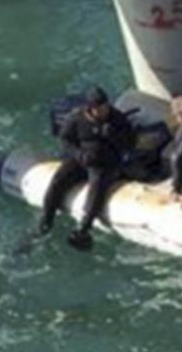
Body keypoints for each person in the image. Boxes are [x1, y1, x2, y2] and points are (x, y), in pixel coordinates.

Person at [37, 86, 134, 251]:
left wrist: (114, 137)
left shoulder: (117, 119)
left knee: (97, 188)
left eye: (106, 106)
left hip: (105, 161)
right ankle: (46, 220)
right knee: (58, 180)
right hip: (82, 159)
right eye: (100, 108)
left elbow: (130, 142)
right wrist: (79, 154)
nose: (105, 111)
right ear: (91, 108)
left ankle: (83, 229)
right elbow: (66, 139)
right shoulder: (77, 118)